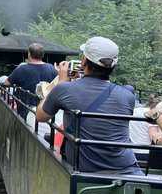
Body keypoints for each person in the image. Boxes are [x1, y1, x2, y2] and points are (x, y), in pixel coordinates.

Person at [36, 36, 142, 175]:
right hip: (128, 168)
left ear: (84, 61)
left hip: (86, 170)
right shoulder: (127, 96)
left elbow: (41, 116)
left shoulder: (64, 89)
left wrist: (60, 82)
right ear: (113, 66)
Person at [0, 43, 57, 120]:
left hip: (25, 108)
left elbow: (7, 83)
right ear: (43, 55)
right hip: (45, 109)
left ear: (29, 54)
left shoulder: (21, 69)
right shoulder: (51, 68)